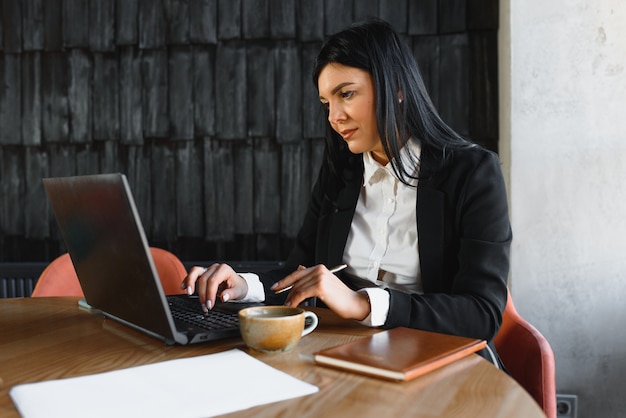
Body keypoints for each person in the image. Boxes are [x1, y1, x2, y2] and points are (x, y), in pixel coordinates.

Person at [181, 18, 511, 367]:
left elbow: (482, 313)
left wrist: (362, 304)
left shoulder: (472, 173)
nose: (334, 117)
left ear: (396, 88)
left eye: (346, 94)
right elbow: (299, 269)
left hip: (441, 358)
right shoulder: (341, 174)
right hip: (343, 354)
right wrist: (242, 285)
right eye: (326, 103)